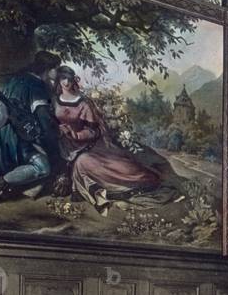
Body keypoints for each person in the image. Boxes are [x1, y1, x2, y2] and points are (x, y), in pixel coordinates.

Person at [52, 66, 174, 214]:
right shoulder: (54, 100)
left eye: (69, 79)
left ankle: (139, 182)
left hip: (86, 146)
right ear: (58, 80)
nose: (66, 82)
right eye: (63, 78)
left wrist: (76, 135)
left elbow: (94, 131)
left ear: (73, 80)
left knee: (88, 163)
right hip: (63, 145)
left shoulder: (83, 103)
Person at [0, 50, 62, 214]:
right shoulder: (37, 85)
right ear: (48, 68)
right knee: (43, 167)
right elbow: (44, 121)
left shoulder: (16, 80)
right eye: (56, 68)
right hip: (14, 139)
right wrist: (54, 143)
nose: (58, 72)